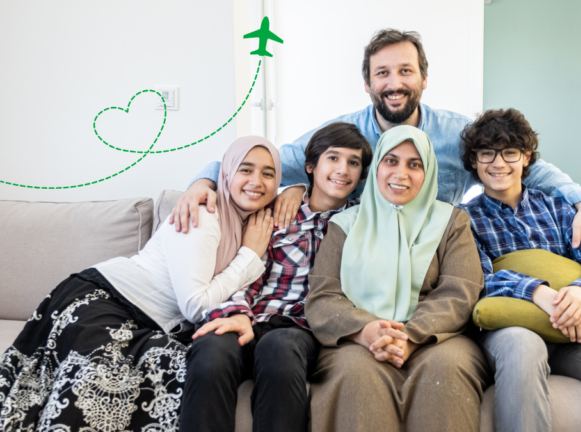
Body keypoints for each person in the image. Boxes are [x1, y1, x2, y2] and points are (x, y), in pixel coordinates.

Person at [171, 29, 581, 264]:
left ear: (424, 78)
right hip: (358, 256)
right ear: (367, 83)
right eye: (382, 73)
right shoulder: (343, 134)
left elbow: (526, 166)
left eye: (405, 71)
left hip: (434, 255)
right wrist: (204, 181)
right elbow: (269, 160)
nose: (394, 83)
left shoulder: (457, 133)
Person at [0, 136, 280, 431]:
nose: (256, 181)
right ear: (226, 173)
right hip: (104, 300)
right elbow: (196, 305)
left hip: (144, 321)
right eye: (245, 170)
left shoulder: (252, 224)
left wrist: (296, 190)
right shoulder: (203, 212)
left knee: (178, 368)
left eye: (268, 173)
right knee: (103, 384)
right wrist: (249, 255)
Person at [457, 109, 581, 432]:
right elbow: (476, 280)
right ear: (474, 160)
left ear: (526, 157)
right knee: (523, 347)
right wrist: (537, 291)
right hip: (509, 332)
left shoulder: (559, 209)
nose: (498, 163)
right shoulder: (463, 219)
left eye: (510, 152)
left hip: (572, 332)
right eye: (487, 153)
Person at [178, 122, 373, 432]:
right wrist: (239, 313)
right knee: (211, 350)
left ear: (362, 176)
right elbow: (246, 268)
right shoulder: (274, 211)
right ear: (310, 166)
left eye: (354, 163)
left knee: (279, 348)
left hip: (300, 328)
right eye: (333, 158)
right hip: (252, 315)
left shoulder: (362, 222)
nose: (343, 170)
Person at [304, 126, 490, 432]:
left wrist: (409, 337)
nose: (400, 173)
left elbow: (460, 291)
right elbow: (323, 296)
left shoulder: (452, 221)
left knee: (446, 368)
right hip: (357, 339)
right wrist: (366, 331)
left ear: (428, 171)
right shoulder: (344, 225)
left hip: (436, 338)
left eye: (414, 164)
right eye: (391, 161)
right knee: (355, 373)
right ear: (376, 167)